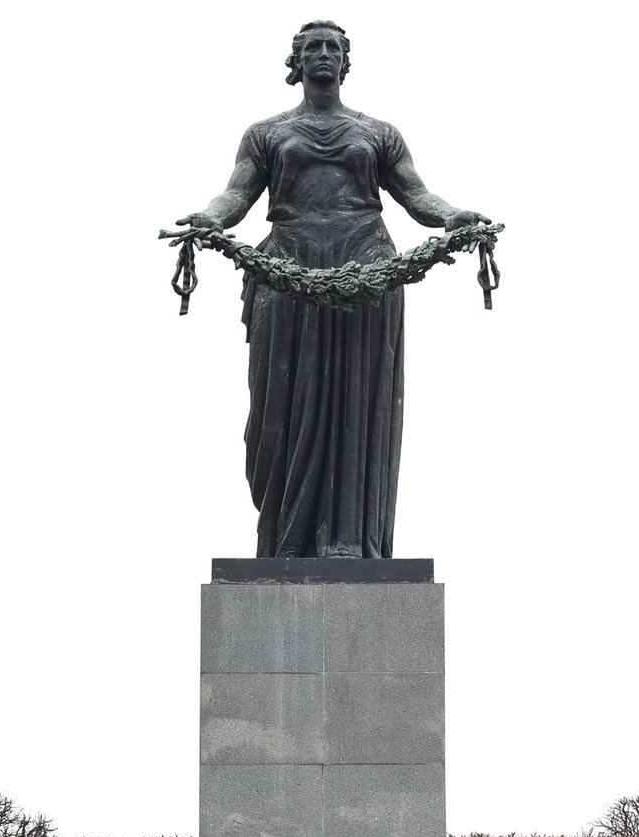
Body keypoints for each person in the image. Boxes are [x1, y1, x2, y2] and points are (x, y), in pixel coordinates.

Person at [178, 20, 489, 559]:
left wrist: (455, 216)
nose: (323, 54)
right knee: (275, 413)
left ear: (346, 62)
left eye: (333, 47)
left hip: (367, 267)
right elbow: (236, 194)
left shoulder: (379, 133)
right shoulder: (266, 133)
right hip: (286, 269)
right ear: (295, 63)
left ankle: (348, 541)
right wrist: (208, 219)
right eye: (312, 47)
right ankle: (285, 538)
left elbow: (417, 195)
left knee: (357, 402)